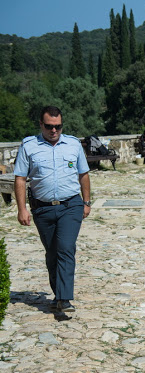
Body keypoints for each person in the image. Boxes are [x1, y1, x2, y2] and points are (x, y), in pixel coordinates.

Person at [14, 106, 92, 313]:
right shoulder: (29, 146)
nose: (54, 131)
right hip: (43, 209)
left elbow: (83, 174)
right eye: (49, 126)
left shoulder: (73, 144)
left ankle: (65, 299)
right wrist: (22, 209)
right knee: (52, 253)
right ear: (41, 125)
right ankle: (58, 294)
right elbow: (20, 178)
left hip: (70, 206)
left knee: (66, 248)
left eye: (58, 126)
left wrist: (86, 202)